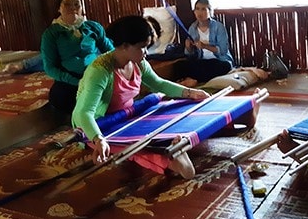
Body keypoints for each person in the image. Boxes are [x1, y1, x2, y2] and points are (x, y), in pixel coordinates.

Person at [72, 15, 210, 179]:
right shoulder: (100, 71)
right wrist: (98, 139)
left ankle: (169, 145)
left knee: (163, 113)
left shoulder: (137, 61)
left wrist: (190, 93)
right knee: (137, 148)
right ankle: (170, 158)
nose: (146, 52)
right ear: (124, 46)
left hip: (125, 114)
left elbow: (158, 83)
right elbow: (84, 113)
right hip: (99, 125)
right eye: (142, 47)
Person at [41, 0, 114, 113]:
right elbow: (50, 68)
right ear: (59, 8)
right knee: (62, 100)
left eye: (77, 4)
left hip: (95, 75)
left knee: (111, 95)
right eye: (67, 4)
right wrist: (78, 82)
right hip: (71, 80)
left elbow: (111, 51)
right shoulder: (51, 34)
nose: (73, 8)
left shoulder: (93, 27)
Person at [174, 0, 234, 87]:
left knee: (224, 66)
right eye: (197, 9)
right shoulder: (192, 28)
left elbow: (223, 51)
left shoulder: (218, 27)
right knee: (180, 65)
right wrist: (188, 47)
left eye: (203, 9)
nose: (199, 12)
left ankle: (193, 79)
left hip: (219, 61)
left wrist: (205, 46)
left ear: (210, 11)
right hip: (202, 61)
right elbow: (190, 55)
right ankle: (194, 79)